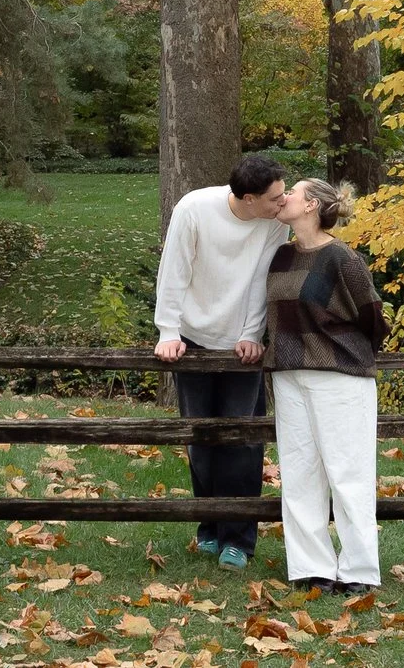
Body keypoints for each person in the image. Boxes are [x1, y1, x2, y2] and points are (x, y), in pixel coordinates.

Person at [154, 152, 292, 569]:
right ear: (248, 198)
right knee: (201, 439)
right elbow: (174, 270)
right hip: (193, 338)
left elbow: (260, 280)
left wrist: (252, 334)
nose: (282, 203)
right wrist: (168, 332)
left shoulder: (273, 223)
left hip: (240, 347)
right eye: (274, 198)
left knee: (243, 441)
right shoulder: (194, 209)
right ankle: (208, 528)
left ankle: (239, 538)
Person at [263, 177, 386, 596]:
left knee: (348, 474)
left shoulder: (341, 258)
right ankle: (311, 568)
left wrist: (343, 351)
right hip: (287, 374)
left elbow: (372, 315)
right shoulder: (280, 256)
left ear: (312, 205)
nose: (284, 199)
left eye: (292, 193)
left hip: (339, 376)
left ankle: (359, 571)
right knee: (298, 474)